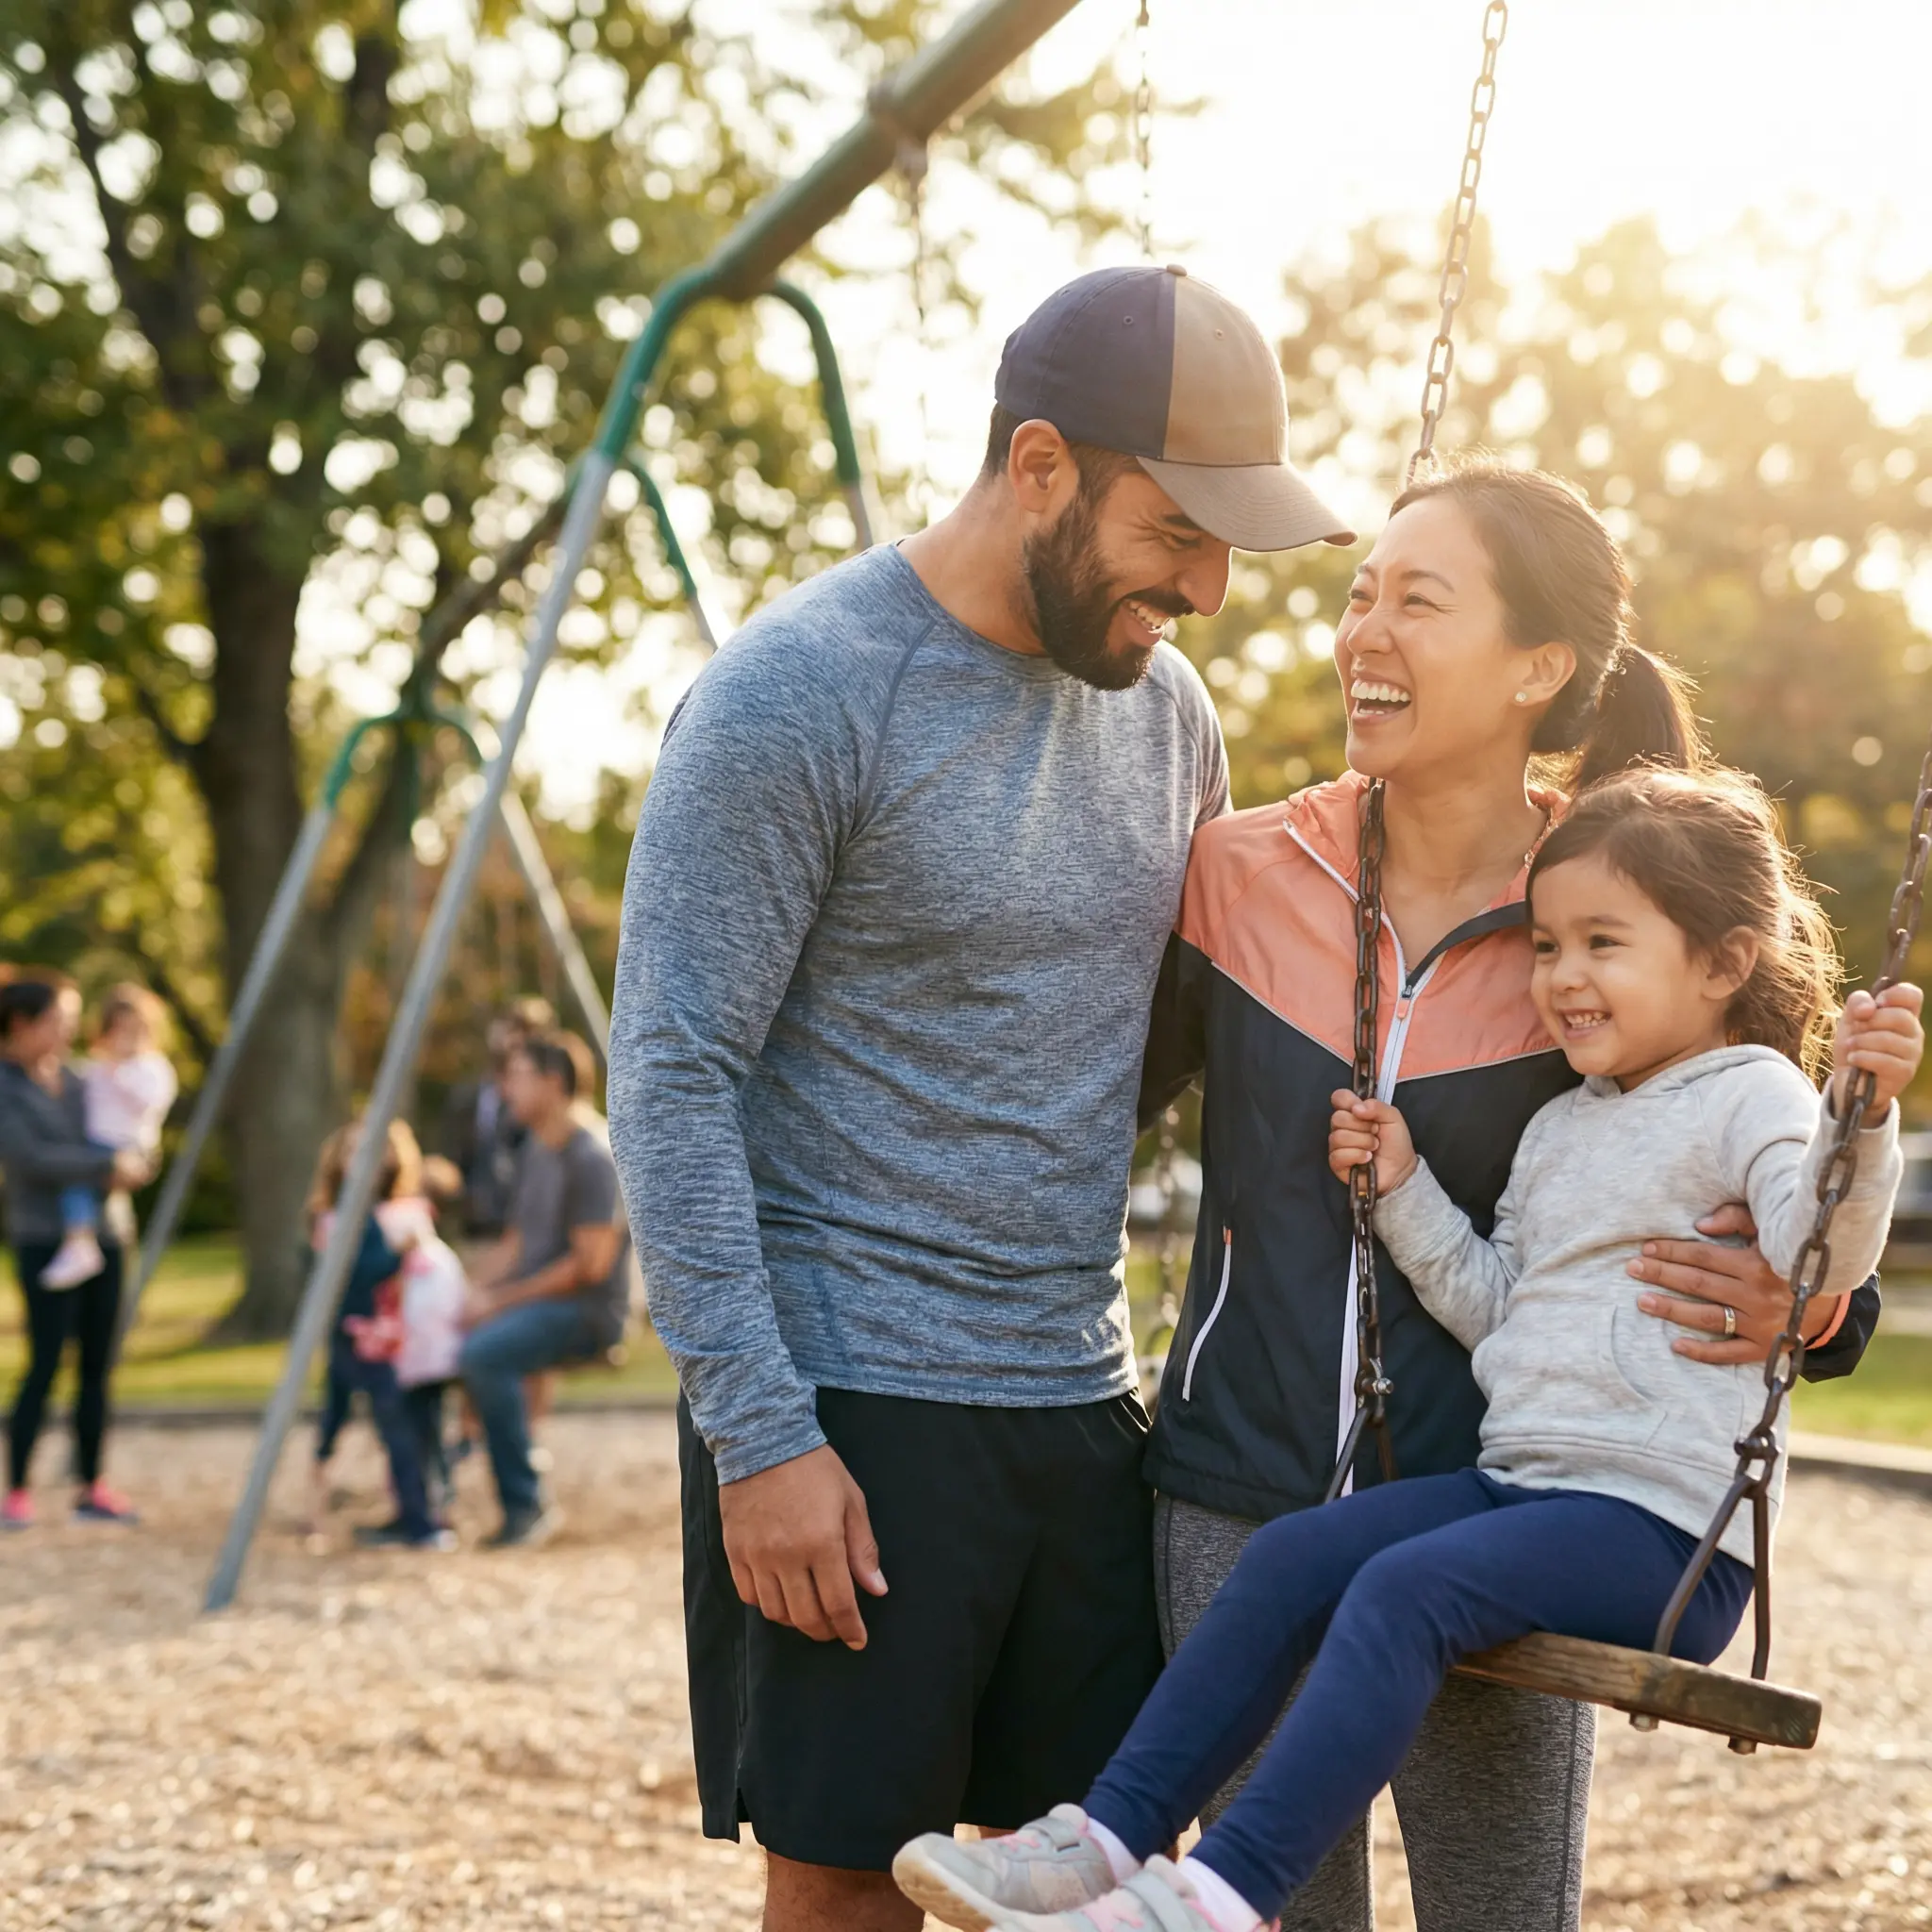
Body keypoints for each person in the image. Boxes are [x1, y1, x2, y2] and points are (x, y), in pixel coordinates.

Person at [608, 265, 1356, 1932]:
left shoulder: (1166, 710)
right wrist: (761, 1433)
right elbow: (669, 1074)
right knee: (850, 1882)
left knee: (1078, 1878)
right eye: (1176, 529)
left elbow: (1142, 1043)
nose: (1213, 587)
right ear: (1038, 467)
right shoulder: (792, 694)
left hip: (1075, 1398)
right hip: (846, 1398)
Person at [893, 763, 1918, 1932]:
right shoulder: (1558, 1128)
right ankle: (1100, 1839)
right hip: (1525, 1492)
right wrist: (1405, 1189)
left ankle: (1218, 1894)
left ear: (1723, 962)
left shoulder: (1760, 1099)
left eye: (1601, 943)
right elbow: (1496, 1311)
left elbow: (1810, 1254)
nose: (1561, 978)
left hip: (1663, 1529)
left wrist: (1861, 1116)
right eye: (1544, 945)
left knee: (1402, 1586)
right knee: (1290, 1557)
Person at [1124, 463, 1883, 1929]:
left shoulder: (1608, 917)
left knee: (1500, 1915)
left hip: (1514, 1497)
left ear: (1541, 667)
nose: (1364, 634)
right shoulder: (1235, 875)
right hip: (1239, 1486)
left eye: (1418, 599)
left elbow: (1763, 1154)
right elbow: (1075, 1125)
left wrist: (1817, 1311)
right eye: (1360, 595)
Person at [458, 1029, 630, 1547]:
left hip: (586, 1312)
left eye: (516, 1076)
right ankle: (423, 1495)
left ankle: (525, 1506)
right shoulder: (537, 1150)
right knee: (429, 1334)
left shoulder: (592, 1157)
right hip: (544, 1300)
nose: (504, 1088)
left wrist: (499, 1302)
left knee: (485, 1355)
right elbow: (516, 1243)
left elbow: (589, 1267)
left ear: (554, 1083)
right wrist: (467, 1291)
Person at [0, 973, 152, 1528]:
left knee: (98, 1364)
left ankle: (92, 1484)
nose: (68, 1031)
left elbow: (128, 1122)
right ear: (22, 1024)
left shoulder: (81, 1080)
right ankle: (15, 1488)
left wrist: (135, 1158)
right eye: (58, 1020)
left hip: (109, 1235)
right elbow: (26, 1158)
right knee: (44, 1361)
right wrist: (105, 1167)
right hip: (45, 1239)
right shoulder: (7, 1087)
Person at [307, 1117, 454, 1552]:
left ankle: (422, 1515)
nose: (366, 1162)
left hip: (391, 1341)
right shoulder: (338, 1220)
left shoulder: (376, 1215)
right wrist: (397, 1256)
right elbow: (354, 1277)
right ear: (338, 1161)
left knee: (410, 1425)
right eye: (355, 1151)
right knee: (355, 1424)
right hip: (358, 1339)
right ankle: (414, 1520)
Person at [42, 983, 177, 1291]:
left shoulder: (151, 1068)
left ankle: (80, 1241)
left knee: (77, 1182)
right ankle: (81, 1240)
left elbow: (149, 1103)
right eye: (118, 1030)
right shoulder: (97, 1067)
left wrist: (120, 1069)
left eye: (134, 1030)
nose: (126, 1038)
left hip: (129, 1144)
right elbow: (75, 1088)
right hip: (94, 1144)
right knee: (75, 1181)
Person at [437, 996, 555, 1257]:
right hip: (475, 1230)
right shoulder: (469, 1098)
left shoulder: (548, 1105)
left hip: (527, 1235)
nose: (513, 1040)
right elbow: (452, 1158)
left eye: (524, 1032)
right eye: (509, 1028)